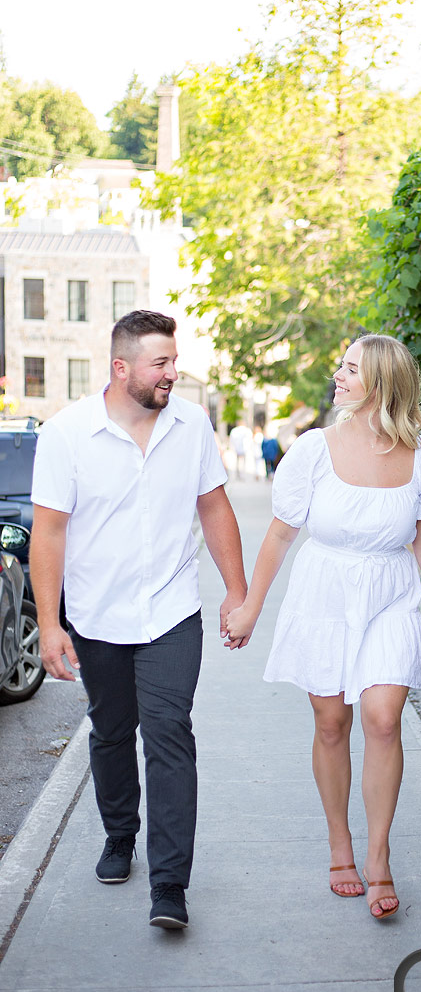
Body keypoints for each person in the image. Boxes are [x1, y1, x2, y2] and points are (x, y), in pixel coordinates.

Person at [225, 334, 421, 919]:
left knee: (383, 720)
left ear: (380, 386)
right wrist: (251, 606)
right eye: (342, 366)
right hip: (324, 594)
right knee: (332, 723)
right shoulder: (314, 450)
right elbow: (282, 533)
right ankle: (341, 847)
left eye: (350, 370)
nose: (338, 376)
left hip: (389, 594)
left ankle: (379, 856)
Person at [30, 310, 247, 931]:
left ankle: (170, 886)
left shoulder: (191, 424)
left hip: (173, 611)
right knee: (110, 731)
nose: (173, 374)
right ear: (120, 368)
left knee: (170, 734)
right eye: (161, 363)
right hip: (97, 615)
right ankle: (120, 833)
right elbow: (48, 532)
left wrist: (238, 593)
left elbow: (214, 507)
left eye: (174, 361)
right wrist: (50, 624)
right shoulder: (68, 434)